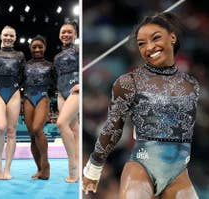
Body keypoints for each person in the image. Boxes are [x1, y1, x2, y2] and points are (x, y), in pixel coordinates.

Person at [83, 12, 200, 198]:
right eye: (142, 43)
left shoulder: (191, 84)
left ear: (172, 37)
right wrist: (94, 167)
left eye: (155, 38)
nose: (149, 47)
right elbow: (113, 128)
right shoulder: (129, 82)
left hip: (179, 173)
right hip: (142, 167)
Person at [0, 25, 25, 180]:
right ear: (1, 36)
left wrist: (17, 87)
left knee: (12, 131)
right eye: (6, 35)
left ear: (15, 38)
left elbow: (23, 74)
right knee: (1, 127)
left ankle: (7, 168)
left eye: (11, 35)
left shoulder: (20, 54)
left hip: (14, 92)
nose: (8, 38)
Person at [23, 35, 52, 180]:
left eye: (40, 46)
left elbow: (58, 81)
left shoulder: (50, 65)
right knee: (31, 135)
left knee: (37, 129)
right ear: (30, 49)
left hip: (42, 96)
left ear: (45, 48)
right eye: (34, 47)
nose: (37, 49)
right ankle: (40, 169)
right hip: (28, 97)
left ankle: (46, 165)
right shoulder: (25, 65)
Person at [54, 21, 79, 183]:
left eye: (69, 32)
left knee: (61, 124)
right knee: (73, 129)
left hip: (75, 89)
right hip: (61, 93)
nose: (66, 35)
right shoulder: (57, 56)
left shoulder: (79, 49)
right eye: (63, 32)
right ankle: (77, 165)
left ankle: (73, 166)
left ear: (75, 34)